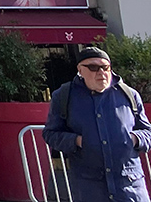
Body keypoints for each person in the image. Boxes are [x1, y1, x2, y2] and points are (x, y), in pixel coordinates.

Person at [43, 46, 151, 202]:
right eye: (93, 67)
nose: (101, 72)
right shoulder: (63, 96)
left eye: (105, 67)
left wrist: (134, 138)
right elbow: (50, 134)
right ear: (80, 70)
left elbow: (147, 132)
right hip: (90, 186)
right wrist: (77, 141)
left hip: (129, 186)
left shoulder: (129, 95)